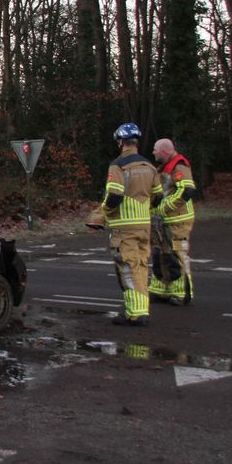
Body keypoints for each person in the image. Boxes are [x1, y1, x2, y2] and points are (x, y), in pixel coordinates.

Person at [87, 123, 162, 326]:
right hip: (144, 227)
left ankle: (136, 313)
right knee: (142, 267)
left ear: (121, 142)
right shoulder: (149, 166)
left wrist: (102, 214)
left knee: (128, 269)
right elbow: (158, 197)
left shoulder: (118, 165)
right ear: (136, 142)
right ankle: (137, 310)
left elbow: (114, 196)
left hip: (124, 227)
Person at [147, 138, 198, 305]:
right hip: (163, 220)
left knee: (176, 255)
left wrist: (165, 207)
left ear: (164, 151)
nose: (153, 152)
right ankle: (161, 289)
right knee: (160, 254)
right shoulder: (163, 167)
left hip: (177, 220)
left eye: (156, 150)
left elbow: (187, 190)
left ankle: (182, 293)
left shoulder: (179, 166)